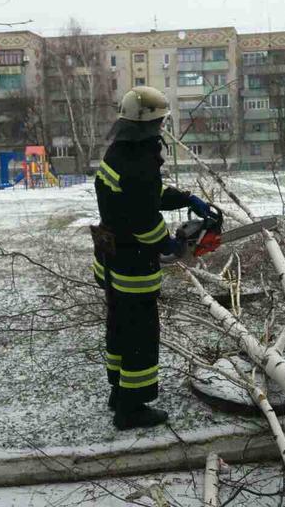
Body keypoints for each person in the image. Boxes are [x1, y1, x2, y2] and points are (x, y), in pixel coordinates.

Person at [91, 86, 212, 430]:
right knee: (141, 335)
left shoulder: (121, 151)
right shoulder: (140, 160)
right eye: (160, 122)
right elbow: (144, 218)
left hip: (112, 258)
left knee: (118, 327)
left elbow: (147, 194)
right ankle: (132, 408)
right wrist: (169, 246)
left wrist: (186, 198)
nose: (161, 128)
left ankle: (118, 392)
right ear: (151, 122)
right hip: (133, 263)